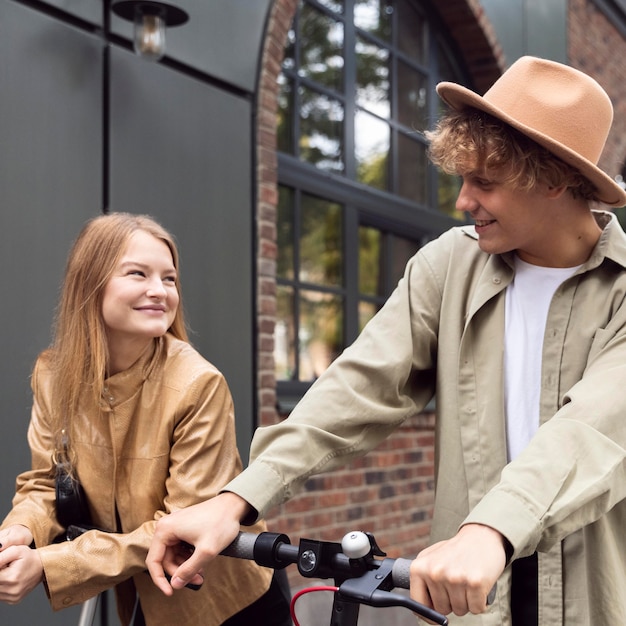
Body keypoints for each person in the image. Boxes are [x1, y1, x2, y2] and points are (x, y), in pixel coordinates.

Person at [145, 56, 626, 625]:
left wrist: (489, 530)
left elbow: (590, 431)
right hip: (463, 605)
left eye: (485, 182)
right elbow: (360, 384)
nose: (463, 201)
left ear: (552, 180)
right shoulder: (449, 266)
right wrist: (238, 499)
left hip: (594, 600)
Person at [0, 213, 291, 626]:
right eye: (138, 274)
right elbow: (45, 483)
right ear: (90, 282)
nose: (160, 291)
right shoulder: (53, 375)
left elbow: (181, 526)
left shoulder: (197, 384)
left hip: (224, 601)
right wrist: (19, 533)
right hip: (140, 596)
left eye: (169, 279)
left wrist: (48, 564)